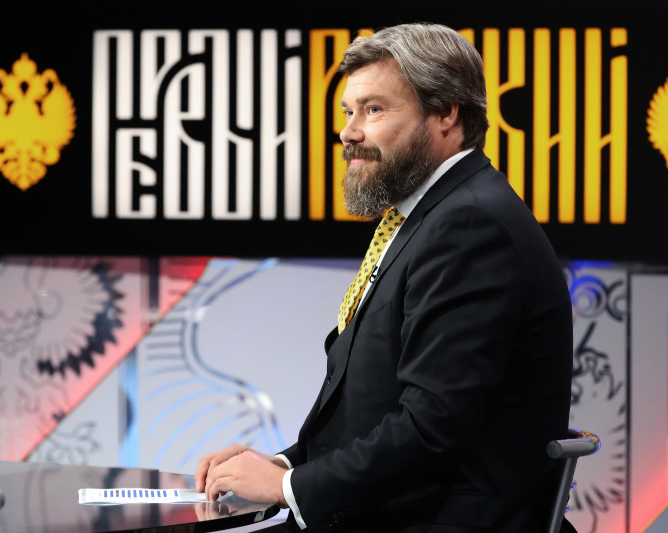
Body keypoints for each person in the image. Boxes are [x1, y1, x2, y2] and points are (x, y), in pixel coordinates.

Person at [194, 23, 573, 533]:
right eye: (348, 112)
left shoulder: (470, 224)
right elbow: (376, 410)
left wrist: (288, 489)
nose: (349, 132)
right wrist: (283, 465)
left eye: (373, 110)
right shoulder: (428, 217)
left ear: (446, 113)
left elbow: (432, 427)